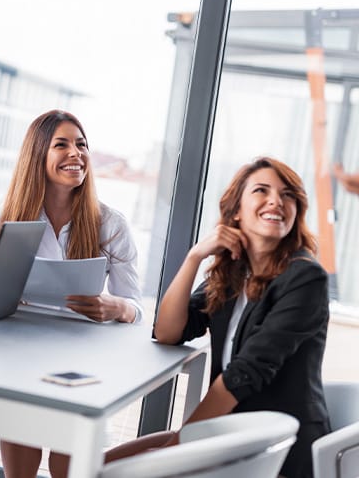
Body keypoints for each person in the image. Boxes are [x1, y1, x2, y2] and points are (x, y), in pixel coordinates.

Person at [0, 110, 144, 478]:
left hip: (82, 361)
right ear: (38, 155)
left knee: (67, 460)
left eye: (82, 145)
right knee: (22, 439)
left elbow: (137, 309)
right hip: (20, 355)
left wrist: (116, 307)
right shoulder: (9, 215)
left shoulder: (111, 223)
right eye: (62, 144)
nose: (76, 153)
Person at [110, 157, 330, 478]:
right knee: (104, 465)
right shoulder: (232, 274)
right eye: (261, 190)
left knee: (133, 469)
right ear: (237, 210)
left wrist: (176, 447)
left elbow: (245, 374)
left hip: (279, 447)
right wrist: (194, 256)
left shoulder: (305, 278)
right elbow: (169, 331)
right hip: (231, 431)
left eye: (288, 195)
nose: (276, 201)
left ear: (296, 212)